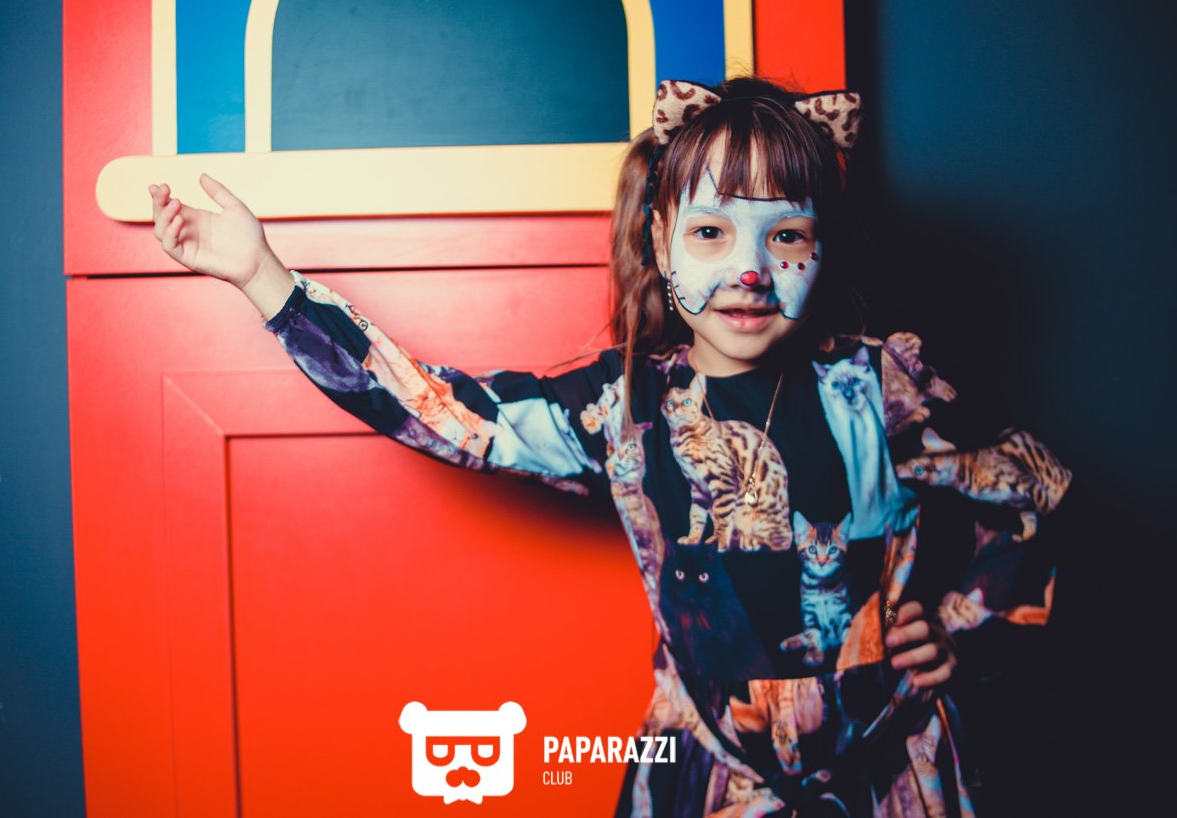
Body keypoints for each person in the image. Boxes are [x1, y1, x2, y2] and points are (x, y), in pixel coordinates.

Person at [148, 75, 1070, 817]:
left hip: (890, 772)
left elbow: (1037, 488)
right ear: (662, 241)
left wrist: (963, 622)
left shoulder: (881, 386)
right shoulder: (625, 408)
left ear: (821, 246)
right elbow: (445, 414)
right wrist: (265, 278)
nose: (750, 270)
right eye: (711, 232)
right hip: (707, 773)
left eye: (785, 234)